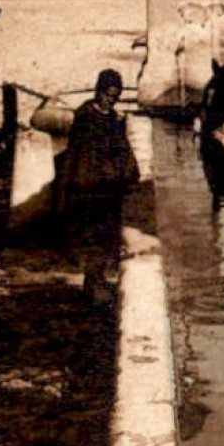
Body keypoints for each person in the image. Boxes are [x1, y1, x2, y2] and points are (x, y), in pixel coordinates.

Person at [57, 69, 140, 303]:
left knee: (105, 237)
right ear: (98, 92)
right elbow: (80, 155)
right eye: (107, 95)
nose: (110, 101)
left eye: (114, 97)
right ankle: (93, 285)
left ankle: (98, 282)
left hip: (108, 188)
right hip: (91, 187)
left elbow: (121, 151)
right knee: (93, 236)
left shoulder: (113, 119)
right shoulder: (86, 119)